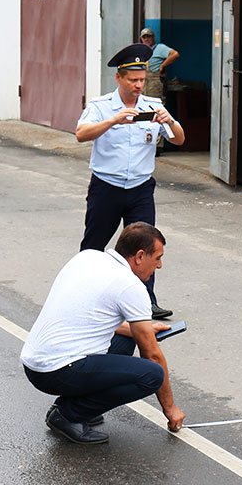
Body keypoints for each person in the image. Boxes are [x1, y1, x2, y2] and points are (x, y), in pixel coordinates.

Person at [21, 223, 186, 444]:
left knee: (126, 340)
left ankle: (72, 406)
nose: (160, 265)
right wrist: (170, 408)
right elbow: (152, 354)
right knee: (152, 375)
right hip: (56, 371)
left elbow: (89, 314)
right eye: (157, 258)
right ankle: (69, 414)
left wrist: (140, 330)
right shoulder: (131, 286)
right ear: (139, 256)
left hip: (36, 363)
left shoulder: (88, 257)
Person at [76, 42, 185, 319]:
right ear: (119, 78)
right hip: (107, 187)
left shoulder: (153, 105)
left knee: (146, 246)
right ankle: (83, 294)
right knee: (94, 244)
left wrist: (169, 122)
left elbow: (180, 138)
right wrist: (113, 121)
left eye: (142, 80)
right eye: (133, 80)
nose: (138, 85)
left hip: (139, 188)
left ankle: (146, 301)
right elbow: (81, 134)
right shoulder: (101, 106)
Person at [139, 27, 179, 99]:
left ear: (153, 37)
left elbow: (175, 54)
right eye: (144, 37)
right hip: (144, 86)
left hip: (155, 85)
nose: (146, 39)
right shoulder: (142, 51)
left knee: (155, 107)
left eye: (148, 36)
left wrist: (162, 66)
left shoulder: (160, 48)